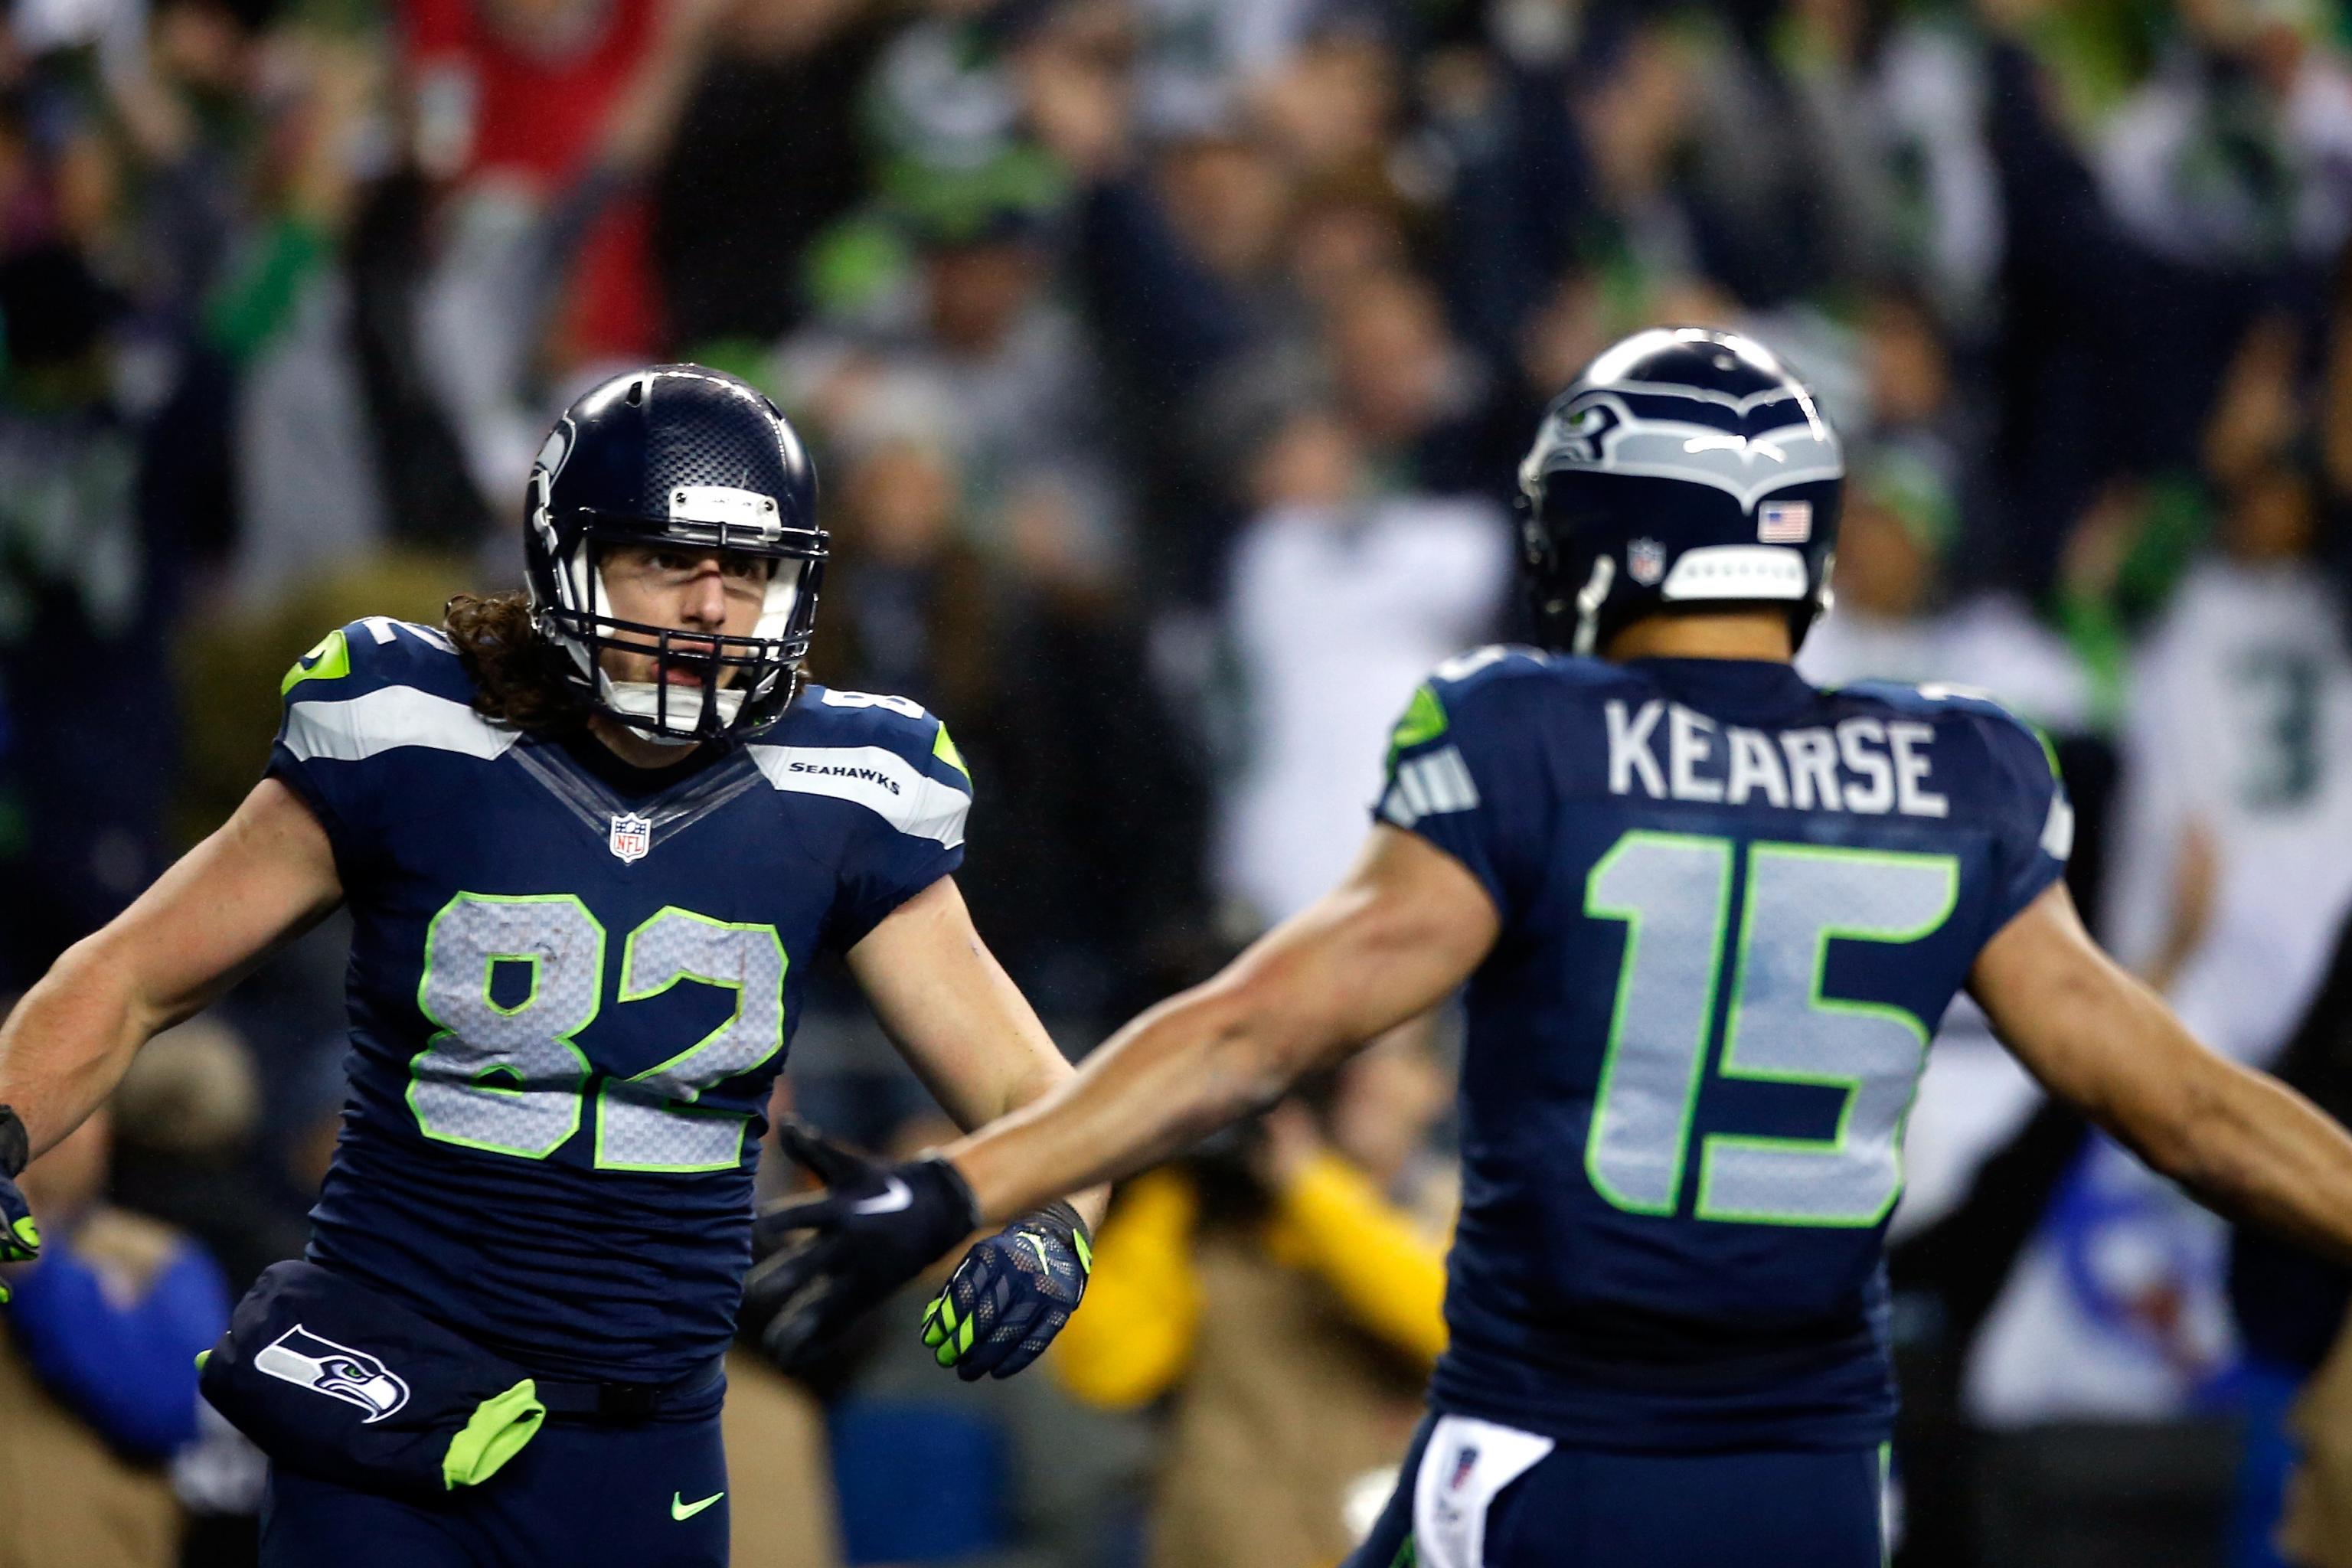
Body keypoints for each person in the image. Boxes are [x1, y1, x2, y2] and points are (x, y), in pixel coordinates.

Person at [746, 328, 2352, 1567]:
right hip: (1811, 1489)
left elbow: (1257, 1034)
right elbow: (2191, 1109)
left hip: (1553, 1456)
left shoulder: (1531, 732)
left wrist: (973, 1180)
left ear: (1601, 533)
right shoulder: (1963, 767)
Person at [0, 364, 1100, 1568]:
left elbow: (1037, 1099)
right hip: (388, 1395)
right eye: (667, 560)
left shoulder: (845, 787)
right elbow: (130, 978)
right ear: (565, 561)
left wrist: (1054, 1229)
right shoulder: (411, 731)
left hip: (643, 1432)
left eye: (746, 571)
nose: (709, 606)